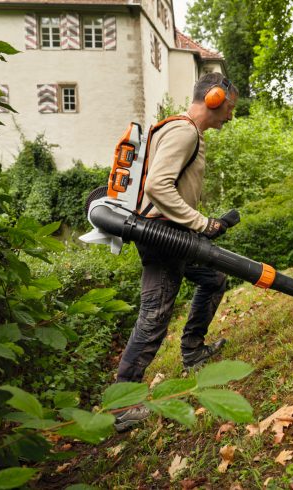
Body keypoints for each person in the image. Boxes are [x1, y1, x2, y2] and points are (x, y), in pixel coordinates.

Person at [114, 73, 238, 431]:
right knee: (154, 315)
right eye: (229, 108)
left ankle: (193, 350)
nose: (230, 117)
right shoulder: (184, 131)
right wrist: (200, 222)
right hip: (163, 235)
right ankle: (123, 404)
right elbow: (156, 186)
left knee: (213, 278)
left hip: (173, 233)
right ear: (214, 99)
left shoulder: (182, 130)